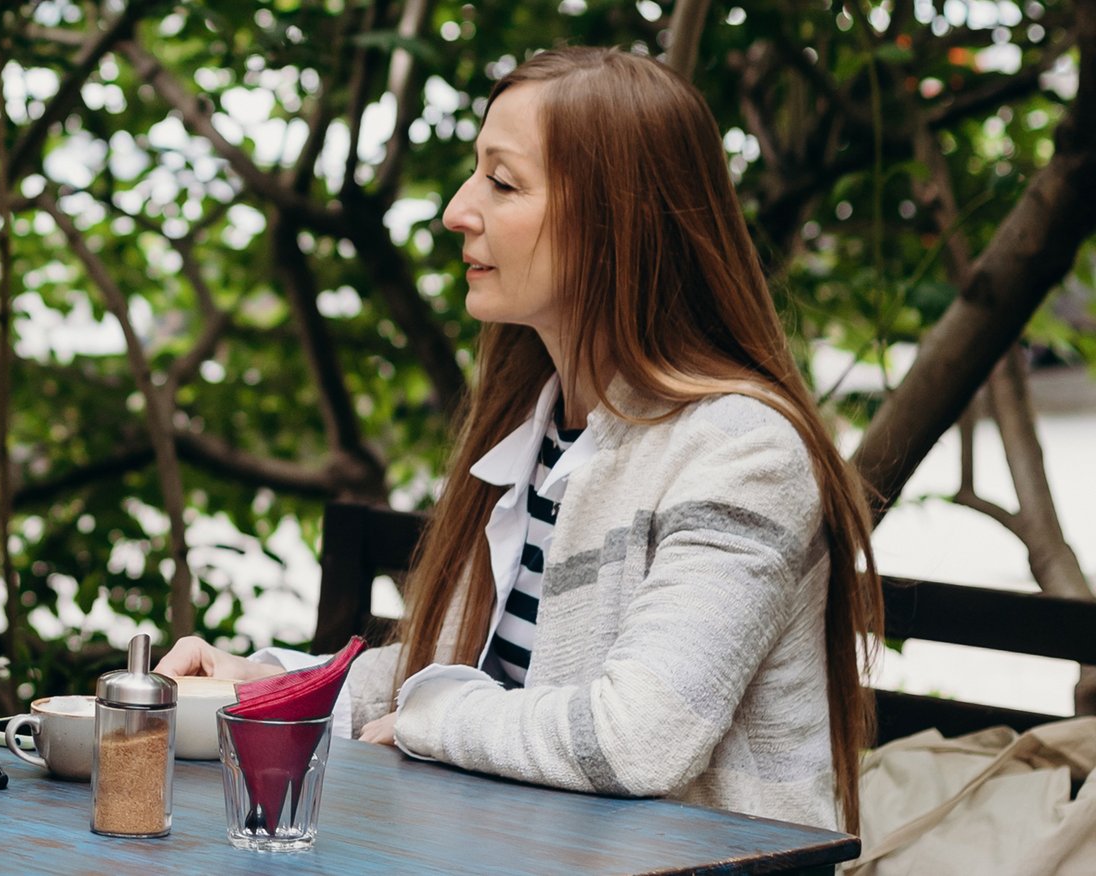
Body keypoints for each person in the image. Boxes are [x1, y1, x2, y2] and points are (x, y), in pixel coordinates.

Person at [157, 47, 883, 833]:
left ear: (616, 223)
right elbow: (471, 674)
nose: (457, 210)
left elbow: (634, 738)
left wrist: (431, 717)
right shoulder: (540, 433)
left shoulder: (744, 452)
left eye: (502, 183)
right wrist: (263, 689)